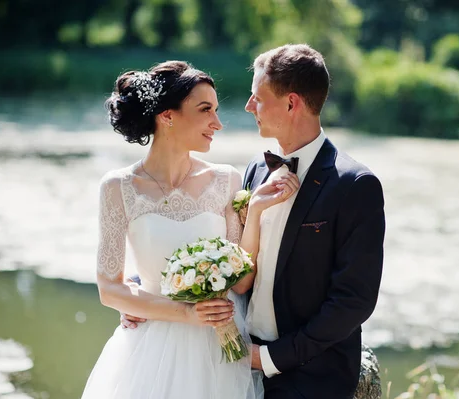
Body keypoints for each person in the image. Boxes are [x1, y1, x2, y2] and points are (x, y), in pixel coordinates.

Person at [81, 60, 299, 399]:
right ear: (167, 116)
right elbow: (110, 289)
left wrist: (253, 212)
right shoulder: (117, 187)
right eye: (205, 110)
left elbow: (241, 281)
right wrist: (185, 313)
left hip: (219, 350)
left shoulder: (226, 180)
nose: (218, 123)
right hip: (148, 350)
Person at [239, 44, 386, 398]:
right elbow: (233, 259)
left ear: (292, 104)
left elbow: (354, 300)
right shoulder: (255, 170)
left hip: (311, 374)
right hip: (239, 363)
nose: (248, 106)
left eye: (257, 97)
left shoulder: (355, 185)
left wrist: (271, 358)